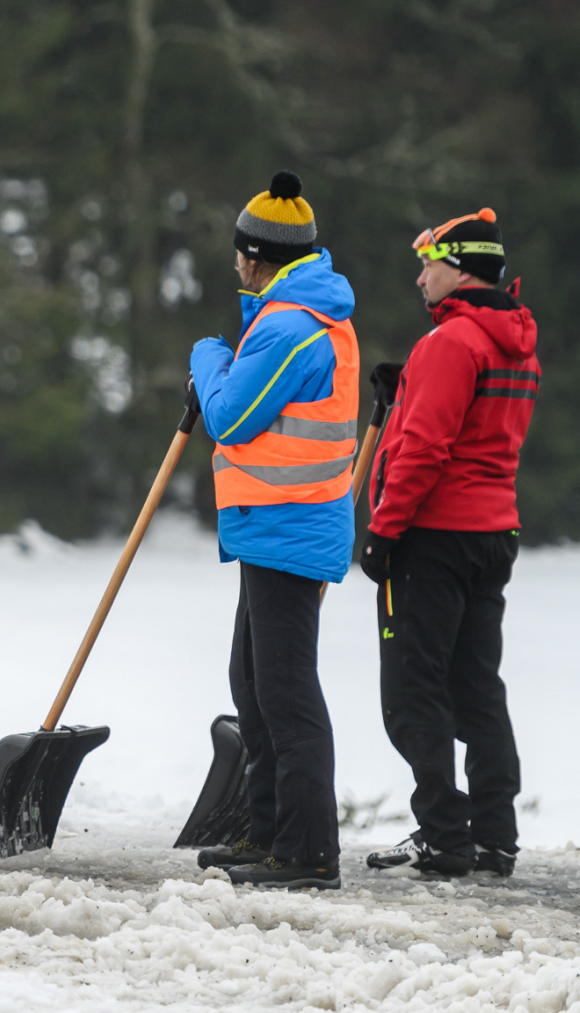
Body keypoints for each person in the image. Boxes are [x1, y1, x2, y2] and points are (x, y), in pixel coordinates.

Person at [189, 171, 358, 890]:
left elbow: (230, 416)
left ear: (258, 256)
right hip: (271, 527)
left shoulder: (293, 325)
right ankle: (266, 832)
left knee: (285, 692)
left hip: (292, 528)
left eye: (240, 251)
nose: (234, 262)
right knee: (253, 681)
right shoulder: (289, 315)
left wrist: (207, 358)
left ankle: (309, 850)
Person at [358, 208, 539, 879]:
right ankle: (494, 835)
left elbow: (426, 451)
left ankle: (443, 833)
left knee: (413, 692)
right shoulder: (518, 344)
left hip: (433, 539)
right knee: (476, 688)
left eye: (428, 264)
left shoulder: (450, 343)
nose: (419, 277)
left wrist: (383, 531)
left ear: (459, 269)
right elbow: (472, 434)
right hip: (492, 534)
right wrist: (405, 394)